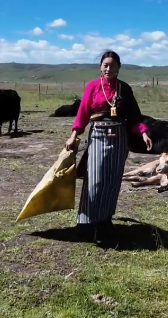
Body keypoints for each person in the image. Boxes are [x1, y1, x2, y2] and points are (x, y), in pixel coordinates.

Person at [64, 50, 153, 245]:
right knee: (95, 180)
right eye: (105, 64)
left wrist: (144, 132)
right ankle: (87, 222)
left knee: (112, 181)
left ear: (119, 68)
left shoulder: (125, 89)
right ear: (100, 67)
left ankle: (105, 221)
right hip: (98, 135)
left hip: (120, 137)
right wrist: (74, 135)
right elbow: (83, 113)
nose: (108, 68)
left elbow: (134, 116)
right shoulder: (93, 86)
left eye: (112, 65)